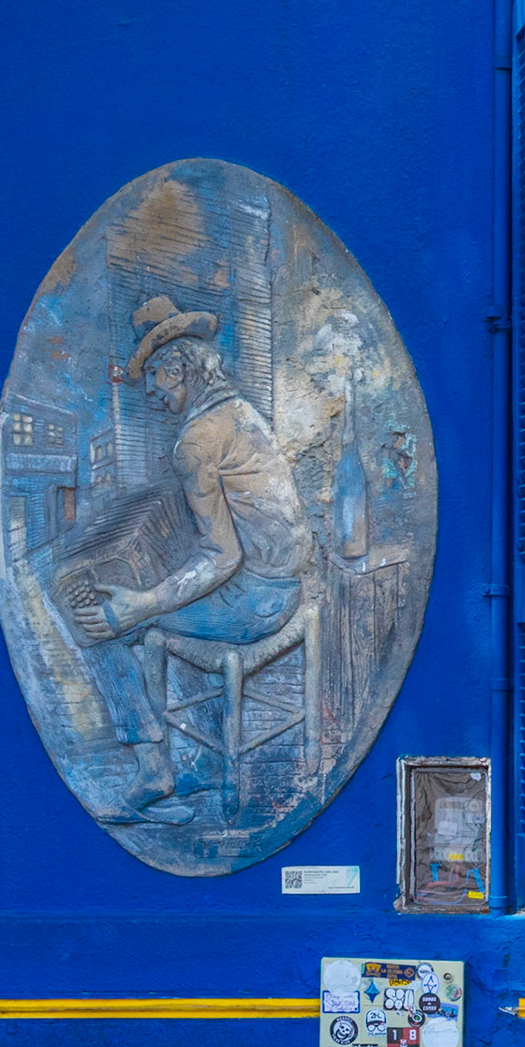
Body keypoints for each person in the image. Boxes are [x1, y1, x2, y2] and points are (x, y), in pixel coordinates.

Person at [70, 296, 314, 823]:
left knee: (102, 628)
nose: (151, 392)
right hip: (281, 586)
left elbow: (221, 557)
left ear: (177, 368)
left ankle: (152, 772)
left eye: (154, 377)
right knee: (161, 607)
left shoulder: (197, 440)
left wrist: (138, 606)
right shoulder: (237, 412)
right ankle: (201, 760)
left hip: (258, 601)